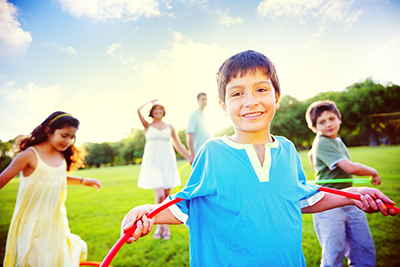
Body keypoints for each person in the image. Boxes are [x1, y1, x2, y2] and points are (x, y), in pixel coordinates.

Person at [121, 50, 397, 266]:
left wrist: (353, 194)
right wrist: (149, 213)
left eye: (261, 89)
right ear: (223, 105)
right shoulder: (213, 152)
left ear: (277, 97)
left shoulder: (287, 150)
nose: (250, 101)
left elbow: (301, 197)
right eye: (237, 93)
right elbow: (185, 206)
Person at [0, 111, 102, 267]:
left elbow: (57, 177)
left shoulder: (60, 155)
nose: (68, 141)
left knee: (57, 258)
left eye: (72, 137)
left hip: (56, 219)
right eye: (64, 135)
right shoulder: (29, 155)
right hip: (33, 223)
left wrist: (82, 180)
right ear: (48, 131)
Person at [305, 100, 381, 267]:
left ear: (339, 118)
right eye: (322, 122)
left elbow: (311, 154)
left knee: (362, 247)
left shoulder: (334, 140)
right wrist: (372, 171)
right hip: (329, 202)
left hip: (351, 197)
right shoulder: (323, 142)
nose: (328, 124)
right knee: (334, 251)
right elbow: (349, 167)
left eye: (331, 118)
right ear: (314, 128)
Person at [136, 99, 191, 240]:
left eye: (160, 109)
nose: (158, 111)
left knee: (167, 196)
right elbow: (137, 110)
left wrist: (189, 157)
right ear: (152, 112)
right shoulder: (147, 126)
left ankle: (164, 227)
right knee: (160, 194)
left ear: (163, 111)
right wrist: (149, 101)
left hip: (167, 163)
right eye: (155, 109)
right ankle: (158, 226)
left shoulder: (170, 126)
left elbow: (178, 145)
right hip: (152, 163)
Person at [186, 92, 212, 163]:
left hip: (208, 153)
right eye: (203, 99)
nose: (205, 102)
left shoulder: (205, 116)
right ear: (198, 101)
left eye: (206, 99)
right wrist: (192, 155)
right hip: (199, 154)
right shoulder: (193, 115)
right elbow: (189, 137)